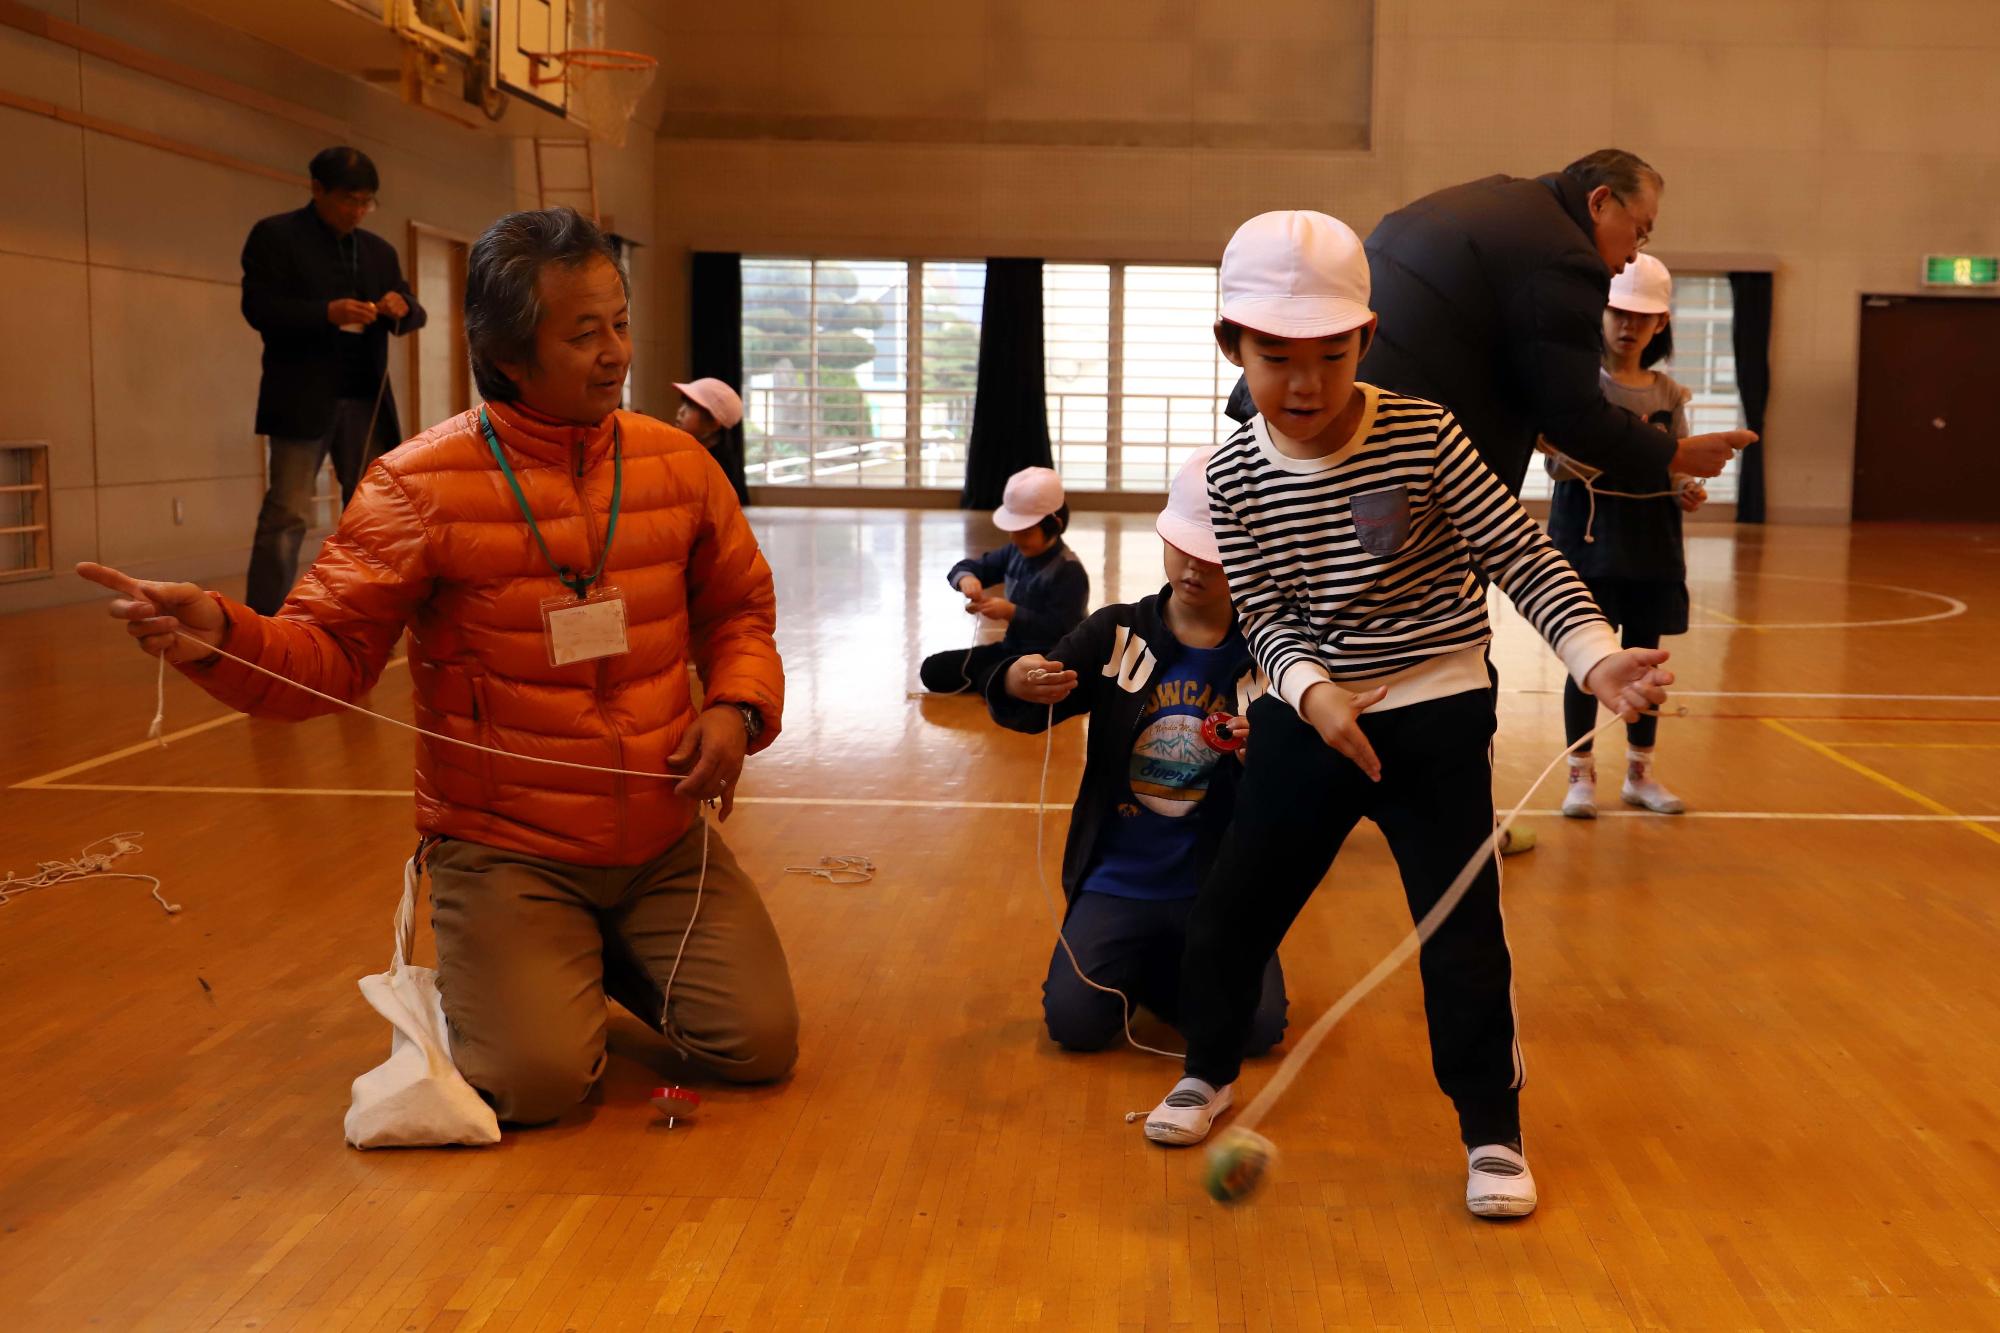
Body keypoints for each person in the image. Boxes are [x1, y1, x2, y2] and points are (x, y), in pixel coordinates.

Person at [80, 207, 797, 1128]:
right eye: (582, 333)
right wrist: (220, 633)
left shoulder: (679, 466)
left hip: (663, 839)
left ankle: (587, 954)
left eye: (619, 322)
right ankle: (539, 956)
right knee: (537, 1086)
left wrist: (737, 706)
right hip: (507, 850)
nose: (614, 351)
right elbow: (327, 657)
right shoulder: (414, 486)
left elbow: (741, 607)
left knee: (756, 1044)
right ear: (505, 350)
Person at [1143, 211, 1674, 1222]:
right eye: (1274, 358)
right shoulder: (1232, 477)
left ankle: (1491, 1132)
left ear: (1367, 340)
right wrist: (1310, 691)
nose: (1303, 384)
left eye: (1329, 356)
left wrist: (1593, 654)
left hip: (1434, 718)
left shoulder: (1423, 435)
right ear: (1229, 346)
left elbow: (1517, 556)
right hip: (1311, 719)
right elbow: (1261, 610)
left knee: (1460, 936)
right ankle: (1205, 1069)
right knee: (1228, 914)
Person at [986, 449, 1287, 1055]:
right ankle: (1162, 969)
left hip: (1219, 887)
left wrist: (1272, 759)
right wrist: (1016, 679)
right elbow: (1031, 698)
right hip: (1116, 880)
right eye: (1185, 547)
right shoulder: (1115, 631)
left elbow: (1300, 781)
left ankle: (1170, 968)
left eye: (1217, 557)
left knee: (1256, 1030)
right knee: (1075, 1026)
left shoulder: (1272, 651)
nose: (1196, 568)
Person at [1543, 254, 1707, 818]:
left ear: (1660, 324)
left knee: (1644, 662)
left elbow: (1677, 462)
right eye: (1618, 312)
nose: (1628, 325)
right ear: (1601, 313)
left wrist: (1686, 486)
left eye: (1643, 316)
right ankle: (1579, 777)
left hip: (1652, 545)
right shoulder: (1580, 387)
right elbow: (1560, 465)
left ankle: (1640, 774)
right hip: (1587, 544)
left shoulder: (1670, 394)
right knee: (1587, 662)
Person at [240, 147, 427, 616]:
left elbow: (413, 308)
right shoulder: (276, 236)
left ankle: (358, 609)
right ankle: (265, 618)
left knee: (369, 513)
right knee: (287, 514)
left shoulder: (378, 250)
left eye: (367, 202)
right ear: (317, 189)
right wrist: (328, 313)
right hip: (302, 397)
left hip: (366, 397)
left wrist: (401, 308)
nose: (358, 211)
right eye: (349, 200)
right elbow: (259, 308)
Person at [918, 465, 1089, 696]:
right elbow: (965, 568)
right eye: (1013, 531)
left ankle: (1000, 682)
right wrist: (967, 579)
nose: (1015, 538)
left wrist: (1011, 612)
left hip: (1048, 659)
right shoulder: (1014, 552)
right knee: (933, 669)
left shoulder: (1069, 571)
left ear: (1054, 526)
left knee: (995, 677)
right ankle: (998, 682)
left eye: (1025, 532)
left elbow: (1062, 629)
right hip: (1011, 651)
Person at [673, 377, 751, 508]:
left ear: (714, 423)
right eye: (683, 403)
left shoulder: (717, 469)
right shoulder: (686, 453)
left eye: (691, 407)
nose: (681, 411)